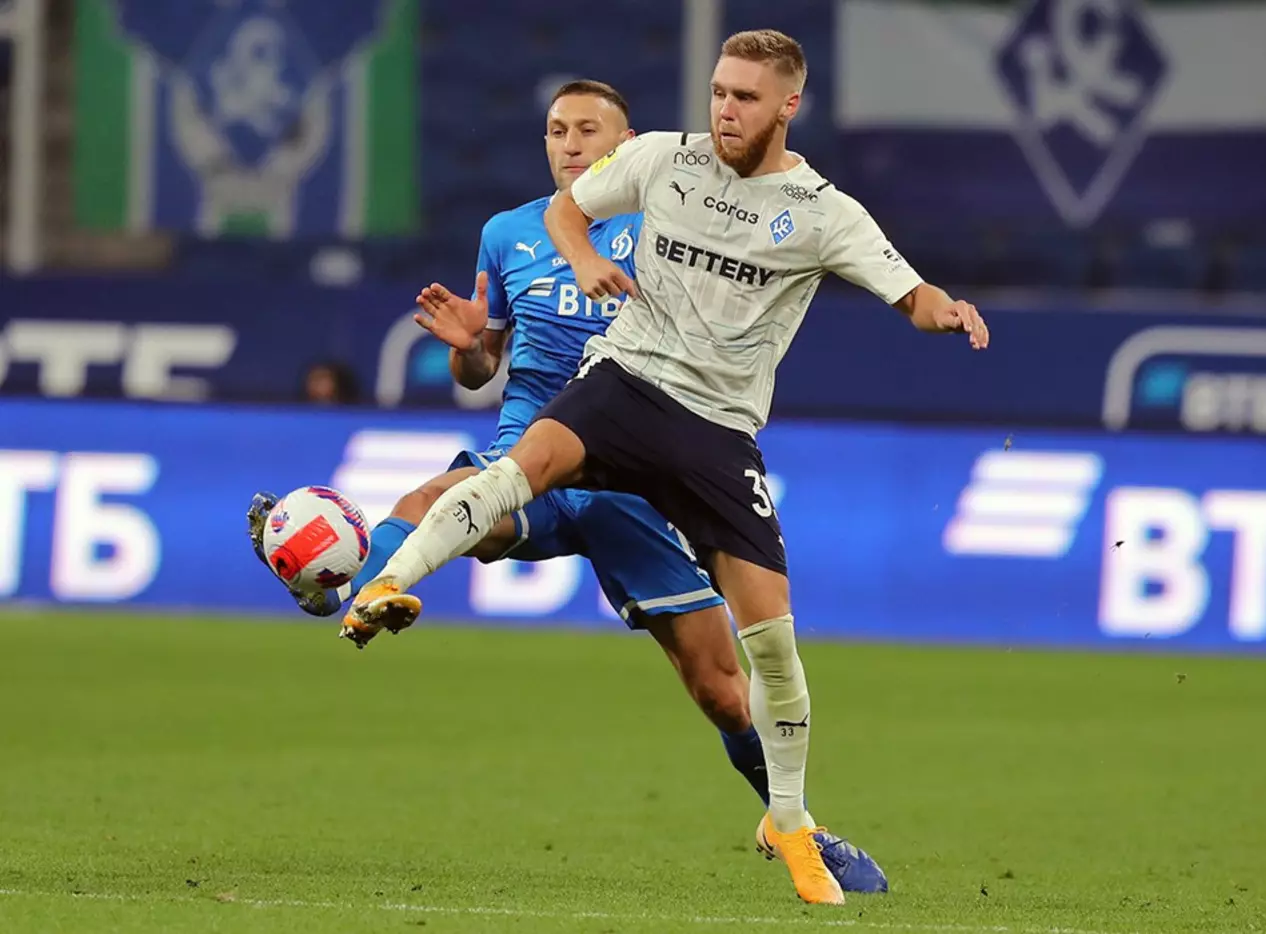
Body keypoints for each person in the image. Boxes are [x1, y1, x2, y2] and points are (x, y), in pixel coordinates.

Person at [344, 30, 989, 906]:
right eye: (718, 92)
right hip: (620, 387)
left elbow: (909, 293)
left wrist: (945, 311)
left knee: (746, 667)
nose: (725, 109)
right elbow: (554, 236)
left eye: (745, 97)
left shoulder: (823, 212)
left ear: (788, 106)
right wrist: (577, 264)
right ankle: (378, 584)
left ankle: (792, 822)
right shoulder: (642, 173)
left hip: (712, 434)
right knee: (493, 480)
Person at [246, 78, 886, 895]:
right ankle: (341, 585)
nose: (571, 144)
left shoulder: (673, 220)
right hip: (537, 458)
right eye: (557, 130)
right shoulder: (507, 233)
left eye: (589, 130)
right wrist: (471, 347)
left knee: (723, 692)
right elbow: (481, 368)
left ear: (628, 146)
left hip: (639, 486)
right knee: (432, 503)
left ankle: (794, 824)